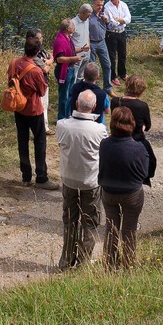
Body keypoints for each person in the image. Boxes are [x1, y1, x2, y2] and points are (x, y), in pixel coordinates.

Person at [55, 89, 105, 269]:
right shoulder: (100, 129)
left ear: (76, 105)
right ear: (94, 108)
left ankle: (66, 260)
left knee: (70, 220)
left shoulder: (62, 125)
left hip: (69, 179)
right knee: (90, 222)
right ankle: (84, 263)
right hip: (90, 181)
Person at [97, 106, 150, 268]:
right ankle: (128, 264)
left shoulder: (104, 144)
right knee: (129, 230)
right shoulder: (139, 148)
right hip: (131, 194)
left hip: (109, 192)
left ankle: (110, 265)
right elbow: (144, 173)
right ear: (132, 124)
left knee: (111, 229)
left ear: (112, 124)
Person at [8, 31, 52, 187]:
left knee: (22, 141)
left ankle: (26, 177)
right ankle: (41, 177)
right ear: (37, 52)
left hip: (18, 108)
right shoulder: (35, 70)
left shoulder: (14, 63)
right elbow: (42, 91)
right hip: (33, 109)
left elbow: (10, 82)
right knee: (40, 143)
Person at [53, 18, 82, 121]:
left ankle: (68, 114)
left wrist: (81, 49)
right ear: (68, 28)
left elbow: (71, 51)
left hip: (71, 68)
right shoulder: (60, 40)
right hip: (64, 71)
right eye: (73, 26)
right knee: (64, 95)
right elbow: (59, 59)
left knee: (70, 93)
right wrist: (73, 58)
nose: (74, 28)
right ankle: (61, 117)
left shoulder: (68, 38)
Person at [102, 0, 132, 84]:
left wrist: (119, 20)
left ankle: (122, 73)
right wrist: (121, 20)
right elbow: (112, 22)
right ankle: (113, 76)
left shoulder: (124, 5)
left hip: (122, 32)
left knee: (122, 54)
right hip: (111, 33)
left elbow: (128, 19)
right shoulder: (107, 6)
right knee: (112, 56)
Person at [113, 74, 151, 140]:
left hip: (118, 138)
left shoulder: (115, 102)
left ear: (127, 85)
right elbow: (148, 126)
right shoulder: (142, 106)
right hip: (136, 140)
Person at [86, 0, 112, 92]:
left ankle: (108, 87)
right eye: (98, 5)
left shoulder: (103, 14)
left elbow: (110, 27)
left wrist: (107, 20)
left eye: (101, 5)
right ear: (93, 4)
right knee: (92, 67)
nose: (100, 7)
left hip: (102, 42)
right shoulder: (89, 15)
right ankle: (93, 87)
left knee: (107, 64)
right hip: (92, 43)